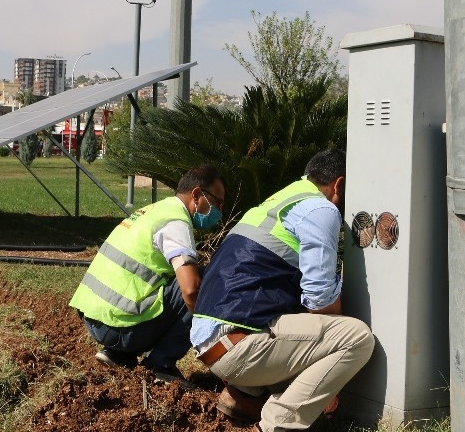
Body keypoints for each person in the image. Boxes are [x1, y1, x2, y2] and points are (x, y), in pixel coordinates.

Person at [191, 148, 374, 432]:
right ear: (339, 184)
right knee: (357, 338)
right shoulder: (320, 209)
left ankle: (244, 395)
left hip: (213, 345)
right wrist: (329, 377)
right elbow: (319, 299)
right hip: (237, 347)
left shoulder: (281, 201)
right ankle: (277, 425)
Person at [69, 164, 226, 381]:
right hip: (118, 329)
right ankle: (160, 364)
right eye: (217, 202)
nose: (219, 211)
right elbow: (191, 290)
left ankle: (119, 354)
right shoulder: (176, 222)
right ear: (197, 195)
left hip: (96, 319)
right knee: (203, 279)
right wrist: (211, 330)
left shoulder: (154, 211)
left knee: (172, 278)